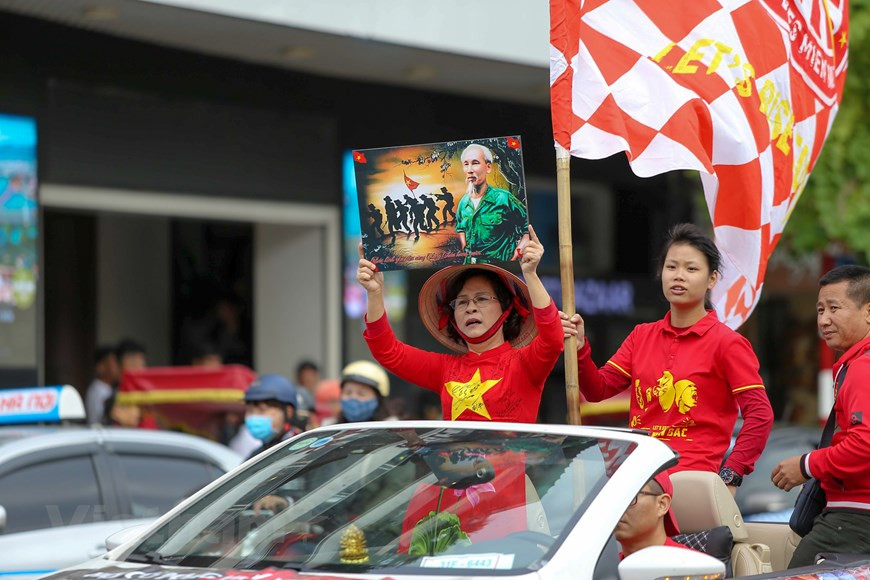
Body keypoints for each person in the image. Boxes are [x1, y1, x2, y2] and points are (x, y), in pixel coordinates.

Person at [562, 223, 773, 488]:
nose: (678, 275)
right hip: (639, 476)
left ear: (712, 279)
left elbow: (760, 414)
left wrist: (731, 474)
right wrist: (580, 348)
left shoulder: (728, 343)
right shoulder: (641, 336)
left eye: (691, 268)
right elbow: (598, 390)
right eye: (671, 267)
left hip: (691, 483)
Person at [358, 225, 563, 423]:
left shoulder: (526, 363)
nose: (470, 308)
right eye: (461, 302)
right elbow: (387, 351)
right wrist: (375, 293)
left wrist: (530, 274)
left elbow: (553, 340)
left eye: (482, 299)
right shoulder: (444, 369)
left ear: (507, 309)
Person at [771, 265, 870, 567]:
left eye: (834, 308)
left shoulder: (863, 367)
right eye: (819, 310)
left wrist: (806, 465)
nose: (823, 320)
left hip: (853, 518)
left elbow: (865, 443)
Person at [454, 144, 528, 264]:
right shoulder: (463, 202)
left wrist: (519, 251)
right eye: (466, 164)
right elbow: (460, 227)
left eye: (475, 163)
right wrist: (465, 249)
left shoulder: (504, 198)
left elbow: (527, 225)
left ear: (488, 167)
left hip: (500, 269)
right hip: (470, 268)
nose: (470, 169)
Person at [616, 471, 690, 559]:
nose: (616, 507)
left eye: (630, 497)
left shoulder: (694, 568)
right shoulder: (599, 569)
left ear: (662, 504)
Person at [243, 374, 301, 460]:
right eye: (250, 411)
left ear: (288, 412)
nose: (254, 416)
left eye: (262, 410)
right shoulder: (255, 456)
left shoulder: (303, 451)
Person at [85, 344, 120, 424]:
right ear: (101, 367)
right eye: (114, 363)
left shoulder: (110, 388)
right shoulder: (96, 390)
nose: (117, 368)